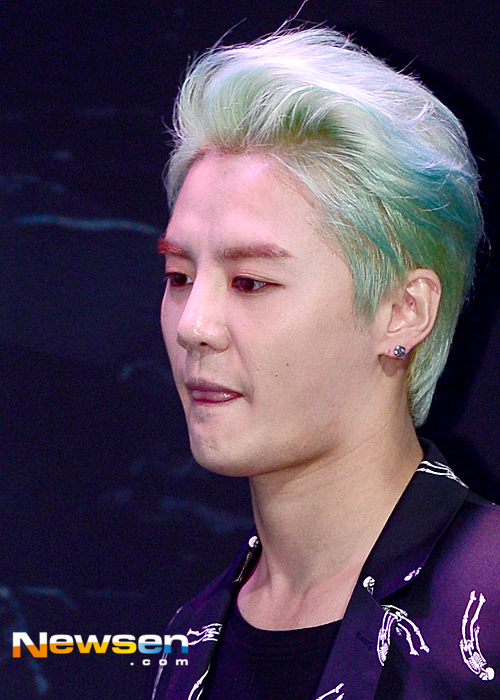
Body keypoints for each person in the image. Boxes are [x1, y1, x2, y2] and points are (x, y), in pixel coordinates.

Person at [149, 27, 500, 699]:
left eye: (251, 282)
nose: (194, 326)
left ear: (404, 310)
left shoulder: (484, 618)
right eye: (178, 276)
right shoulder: (186, 647)